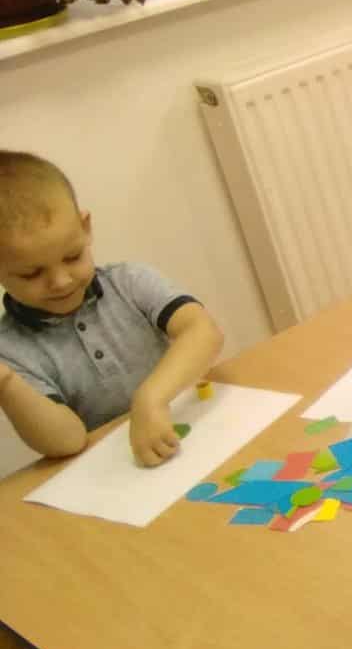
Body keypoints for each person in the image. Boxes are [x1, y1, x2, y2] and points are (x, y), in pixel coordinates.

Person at [0, 151, 223, 465]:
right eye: (31, 274)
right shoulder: (10, 348)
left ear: (85, 228)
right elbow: (67, 441)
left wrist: (150, 399)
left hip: (195, 430)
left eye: (72, 256)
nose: (61, 281)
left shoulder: (129, 281)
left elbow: (204, 332)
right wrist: (7, 384)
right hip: (120, 469)